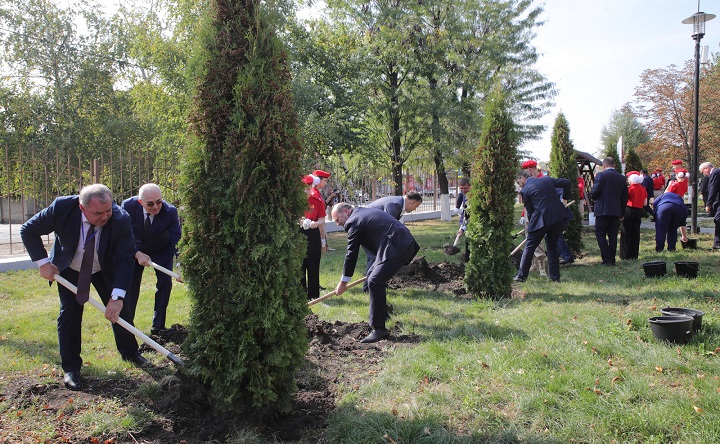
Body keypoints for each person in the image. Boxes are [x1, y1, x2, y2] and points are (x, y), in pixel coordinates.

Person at [20, 184, 144, 391]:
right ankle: (71, 368)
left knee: (121, 311)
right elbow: (28, 230)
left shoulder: (120, 218)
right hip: (70, 268)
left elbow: (125, 259)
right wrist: (43, 263)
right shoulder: (61, 207)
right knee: (69, 313)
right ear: (82, 207)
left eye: (108, 211)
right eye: (98, 213)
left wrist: (117, 297)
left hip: (106, 268)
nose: (105, 217)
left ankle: (130, 353)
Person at [331, 203, 419, 343]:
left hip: (396, 246)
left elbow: (351, 253)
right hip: (397, 243)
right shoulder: (361, 213)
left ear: (346, 211)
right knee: (372, 277)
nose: (337, 224)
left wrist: (343, 282)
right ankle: (382, 316)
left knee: (374, 281)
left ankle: (379, 329)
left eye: (337, 219)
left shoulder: (353, 221)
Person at [121, 184, 182, 335]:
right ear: (140, 202)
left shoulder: (170, 211)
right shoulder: (127, 206)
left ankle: (158, 326)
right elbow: (122, 236)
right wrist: (136, 253)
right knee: (131, 286)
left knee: (165, 284)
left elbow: (177, 239)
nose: (156, 207)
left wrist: (181, 264)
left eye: (159, 201)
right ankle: (128, 326)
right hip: (135, 249)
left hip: (161, 249)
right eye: (150, 204)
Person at [513, 164, 571, 283]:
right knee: (552, 246)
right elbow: (566, 182)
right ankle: (555, 277)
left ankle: (521, 275)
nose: (519, 186)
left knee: (529, 246)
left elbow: (530, 211)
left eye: (519, 182)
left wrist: (531, 226)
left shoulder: (525, 190)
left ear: (523, 178)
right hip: (558, 217)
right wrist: (565, 199)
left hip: (541, 219)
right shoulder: (546, 179)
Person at [590, 157, 628, 266]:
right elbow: (624, 197)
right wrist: (622, 212)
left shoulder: (601, 175)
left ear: (604, 165)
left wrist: (593, 197)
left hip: (602, 210)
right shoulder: (621, 178)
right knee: (613, 235)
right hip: (616, 210)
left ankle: (606, 259)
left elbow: (594, 191)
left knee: (600, 234)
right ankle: (612, 259)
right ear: (614, 165)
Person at [301, 169, 330, 300]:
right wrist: (300, 221)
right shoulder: (294, 202)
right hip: (298, 235)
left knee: (313, 265)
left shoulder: (316, 200)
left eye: (308, 189)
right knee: (300, 266)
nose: (306, 192)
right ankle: (300, 295)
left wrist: (315, 223)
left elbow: (322, 219)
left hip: (313, 235)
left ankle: (313, 296)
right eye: (303, 189)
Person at [619, 172, 647, 260]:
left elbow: (624, 200)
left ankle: (625, 255)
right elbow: (645, 203)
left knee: (626, 232)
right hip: (638, 211)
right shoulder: (643, 189)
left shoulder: (629, 189)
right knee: (636, 233)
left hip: (629, 210)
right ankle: (634, 254)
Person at [701, 161, 720, 249]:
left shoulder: (715, 173)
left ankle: (717, 243)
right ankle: (716, 243)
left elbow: (713, 189)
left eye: (702, 172)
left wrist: (708, 204)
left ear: (707, 169)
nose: (703, 174)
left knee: (718, 220)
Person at [455, 178, 471, 262]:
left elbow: (471, 217)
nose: (463, 190)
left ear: (470, 186)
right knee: (467, 243)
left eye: (465, 188)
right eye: (461, 188)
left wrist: (463, 229)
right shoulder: (464, 194)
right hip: (466, 220)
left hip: (473, 223)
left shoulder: (473, 197)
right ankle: (468, 263)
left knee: (471, 244)